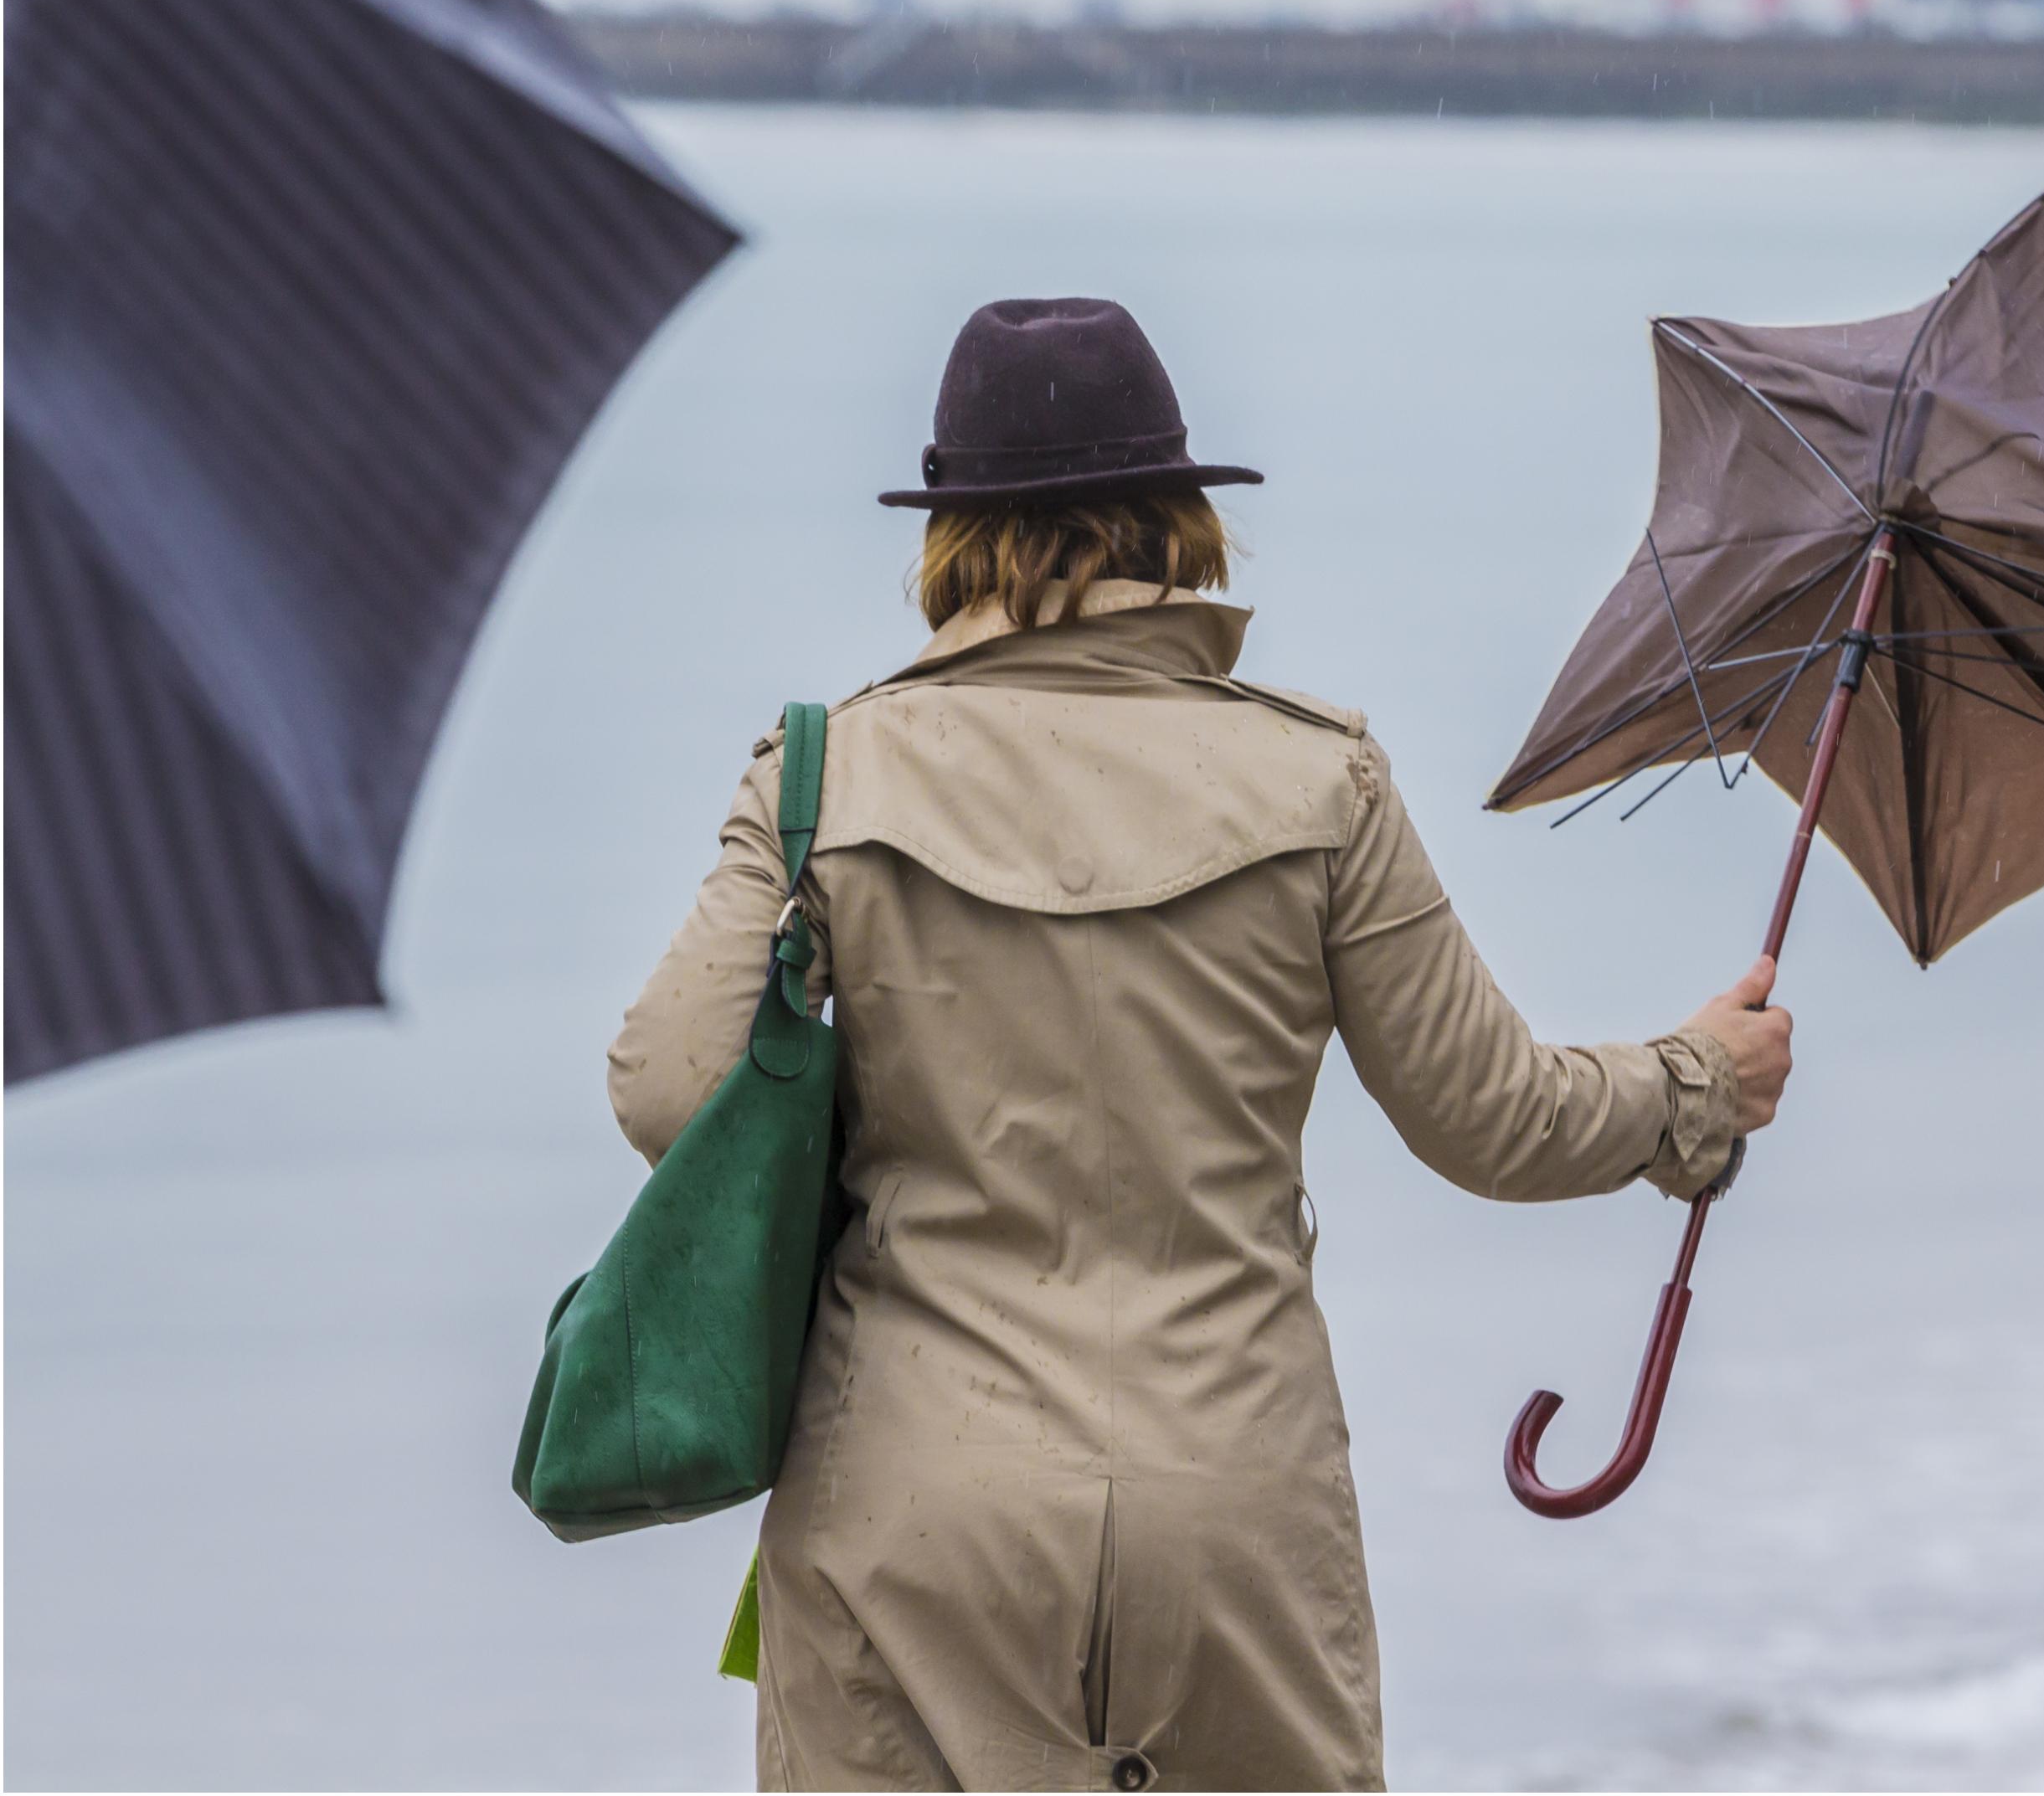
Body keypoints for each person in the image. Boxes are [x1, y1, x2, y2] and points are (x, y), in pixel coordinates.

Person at [609, 297, 1794, 1792]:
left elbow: (666, 1088)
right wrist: (1698, 1084)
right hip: (1228, 1493)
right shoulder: (1317, 779)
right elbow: (1495, 1122)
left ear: (950, 540)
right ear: (1180, 521)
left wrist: (882, 1138)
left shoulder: (824, 778)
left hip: (910, 1494)